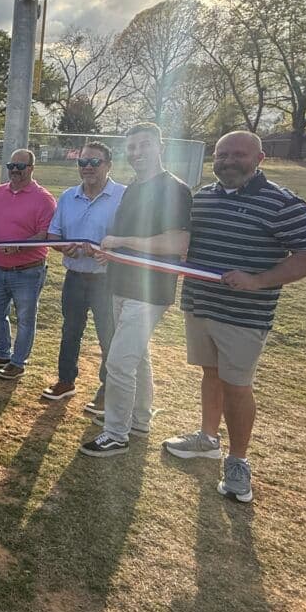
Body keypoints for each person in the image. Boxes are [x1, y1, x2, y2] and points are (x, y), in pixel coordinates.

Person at [162, 131, 306, 502]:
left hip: (244, 315)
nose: (228, 161)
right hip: (201, 304)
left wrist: (258, 281)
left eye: (238, 155)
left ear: (259, 159)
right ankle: (207, 439)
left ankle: (238, 461)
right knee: (211, 374)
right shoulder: (203, 197)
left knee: (237, 385)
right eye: (222, 155)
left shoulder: (283, 203)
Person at [80, 122, 193, 457]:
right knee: (137, 357)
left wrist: (121, 242)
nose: (137, 152)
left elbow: (176, 242)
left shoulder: (174, 189)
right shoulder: (133, 188)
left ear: (160, 147)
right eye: (131, 147)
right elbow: (127, 239)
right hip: (121, 283)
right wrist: (111, 252)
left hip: (149, 290)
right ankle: (139, 419)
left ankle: (116, 433)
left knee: (119, 362)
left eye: (144, 145)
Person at [42, 142, 126, 403]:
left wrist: (105, 250)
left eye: (94, 162)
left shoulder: (124, 196)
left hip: (108, 280)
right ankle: (66, 381)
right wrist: (62, 246)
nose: (87, 167)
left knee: (108, 335)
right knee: (70, 331)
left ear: (108, 165)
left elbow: (130, 239)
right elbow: (53, 235)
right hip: (75, 277)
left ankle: (107, 389)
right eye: (82, 162)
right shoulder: (68, 196)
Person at [0, 148, 56, 380]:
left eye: (20, 166)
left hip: (28, 271)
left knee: (25, 319)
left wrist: (19, 246)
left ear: (31, 168)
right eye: (11, 166)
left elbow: (45, 234)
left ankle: (18, 362)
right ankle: (2, 353)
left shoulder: (44, 198)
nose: (15, 170)